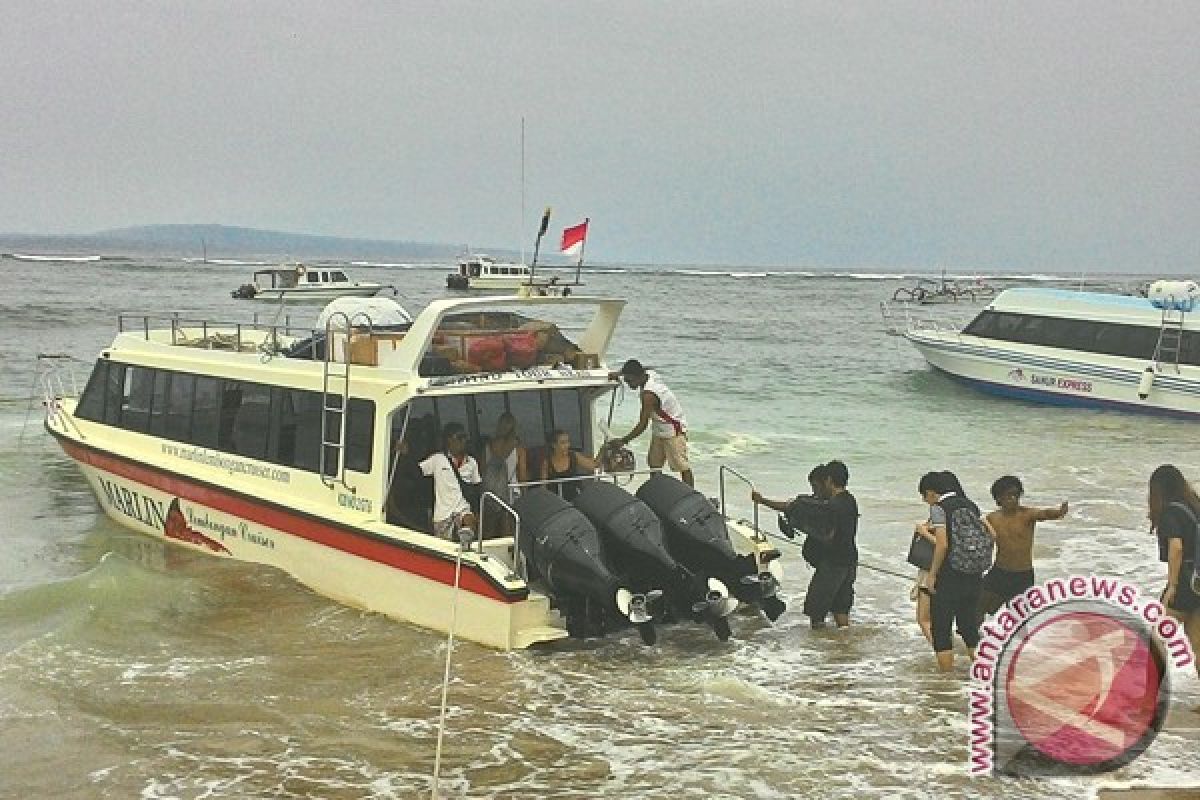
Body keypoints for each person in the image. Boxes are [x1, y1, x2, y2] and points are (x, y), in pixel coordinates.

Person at [754, 460, 857, 629]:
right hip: (849, 562)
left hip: (832, 565)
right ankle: (842, 648)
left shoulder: (831, 506)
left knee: (816, 613)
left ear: (829, 480)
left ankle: (818, 650)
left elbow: (794, 509)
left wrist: (762, 500)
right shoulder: (850, 501)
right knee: (841, 610)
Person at [926, 471, 995, 672]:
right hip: (973, 577)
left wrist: (932, 575)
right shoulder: (971, 505)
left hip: (949, 577)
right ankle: (986, 675)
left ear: (932, 492)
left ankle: (947, 685)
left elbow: (942, 545)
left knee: (941, 631)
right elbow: (993, 534)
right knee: (969, 630)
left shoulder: (939, 509)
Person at [979, 475, 1068, 616]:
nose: (1013, 499)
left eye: (1015, 495)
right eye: (1008, 495)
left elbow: (1044, 513)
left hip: (1022, 577)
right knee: (977, 608)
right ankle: (976, 637)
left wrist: (1058, 512)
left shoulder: (1027, 514)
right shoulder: (992, 518)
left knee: (1021, 618)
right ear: (998, 498)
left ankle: (1020, 638)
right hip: (999, 573)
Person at [1148, 464, 1200, 684]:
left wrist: (1173, 585)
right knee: (1198, 644)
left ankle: (1150, 695)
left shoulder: (1171, 511)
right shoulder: (1195, 504)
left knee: (1157, 639)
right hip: (1199, 581)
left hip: (1185, 583)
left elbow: (1176, 548)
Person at [609, 359, 693, 486]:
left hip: (673, 430)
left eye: (630, 381)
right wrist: (619, 373)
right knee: (654, 464)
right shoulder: (648, 374)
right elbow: (636, 368)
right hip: (659, 429)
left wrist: (624, 440)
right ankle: (657, 489)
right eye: (626, 380)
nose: (628, 384)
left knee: (681, 465)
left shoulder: (649, 395)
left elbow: (642, 425)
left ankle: (691, 492)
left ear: (639, 376)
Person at [398, 422, 481, 541]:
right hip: (443, 514)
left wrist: (477, 513)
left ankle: (467, 544)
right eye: (460, 437)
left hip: (462, 509)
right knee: (444, 544)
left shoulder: (472, 463)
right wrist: (406, 454)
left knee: (469, 522)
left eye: (465, 437)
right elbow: (417, 472)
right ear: (449, 440)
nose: (463, 441)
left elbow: (477, 489)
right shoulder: (437, 459)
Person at [752, 463, 830, 569]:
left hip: (830, 564)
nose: (814, 491)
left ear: (826, 483)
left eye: (815, 486)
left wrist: (761, 500)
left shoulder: (825, 506)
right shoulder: (840, 503)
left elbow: (788, 507)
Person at [541, 429, 599, 502]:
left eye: (568, 442)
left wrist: (603, 450)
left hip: (575, 499)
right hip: (556, 501)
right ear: (554, 445)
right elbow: (543, 487)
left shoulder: (574, 456)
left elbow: (592, 466)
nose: (567, 445)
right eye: (563, 443)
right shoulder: (547, 462)